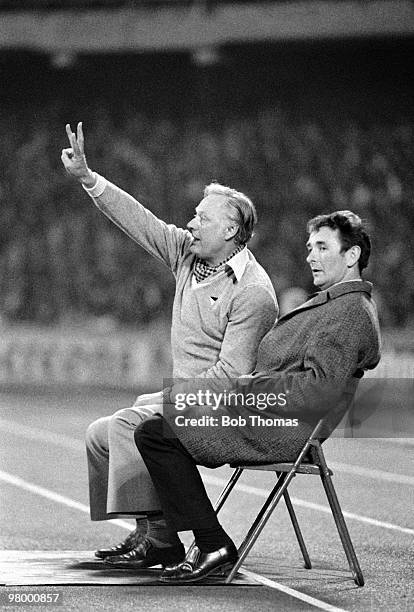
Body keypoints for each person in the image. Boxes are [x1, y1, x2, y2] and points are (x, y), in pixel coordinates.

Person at [61, 123, 278, 568]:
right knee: (99, 434)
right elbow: (139, 220)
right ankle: (147, 532)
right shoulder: (187, 255)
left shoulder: (253, 292)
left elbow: (231, 377)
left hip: (223, 406)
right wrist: (89, 178)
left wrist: (169, 397)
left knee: (124, 426)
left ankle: (161, 541)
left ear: (232, 230)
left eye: (203, 217)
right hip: (186, 398)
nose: (191, 223)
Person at [135, 210, 381, 583]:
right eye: (310, 247)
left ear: (351, 256)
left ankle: (210, 542)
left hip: (285, 427)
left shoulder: (349, 313)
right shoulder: (336, 303)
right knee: (158, 420)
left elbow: (315, 392)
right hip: (268, 415)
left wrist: (246, 388)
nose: (310, 256)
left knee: (155, 432)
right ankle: (182, 540)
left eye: (322, 247)